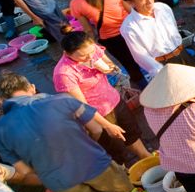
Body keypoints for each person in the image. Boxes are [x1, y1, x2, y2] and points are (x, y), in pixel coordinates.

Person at [0, 72, 141, 192]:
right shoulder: (64, 100)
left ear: (0, 101)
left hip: (58, 179)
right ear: (31, 87)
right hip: (91, 160)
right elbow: (97, 129)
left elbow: (23, 171)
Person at [54, 31, 149, 164]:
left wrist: (109, 68)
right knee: (115, 148)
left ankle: (146, 157)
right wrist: (108, 125)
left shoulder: (92, 50)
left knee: (131, 133)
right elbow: (83, 106)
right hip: (98, 115)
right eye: (83, 56)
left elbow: (109, 64)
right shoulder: (64, 74)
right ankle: (125, 172)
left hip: (114, 101)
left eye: (91, 52)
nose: (90, 57)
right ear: (67, 53)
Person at [63, 0, 144, 84]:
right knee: (145, 56)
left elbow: (88, 30)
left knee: (130, 65)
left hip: (110, 40)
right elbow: (132, 13)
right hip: (131, 31)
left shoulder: (75, 4)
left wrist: (94, 49)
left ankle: (144, 88)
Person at [120, 0, 186, 77]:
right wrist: (162, 72)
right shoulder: (130, 27)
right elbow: (141, 56)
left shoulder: (163, 8)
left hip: (182, 52)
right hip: (163, 65)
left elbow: (174, 30)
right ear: (131, 3)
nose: (149, 1)